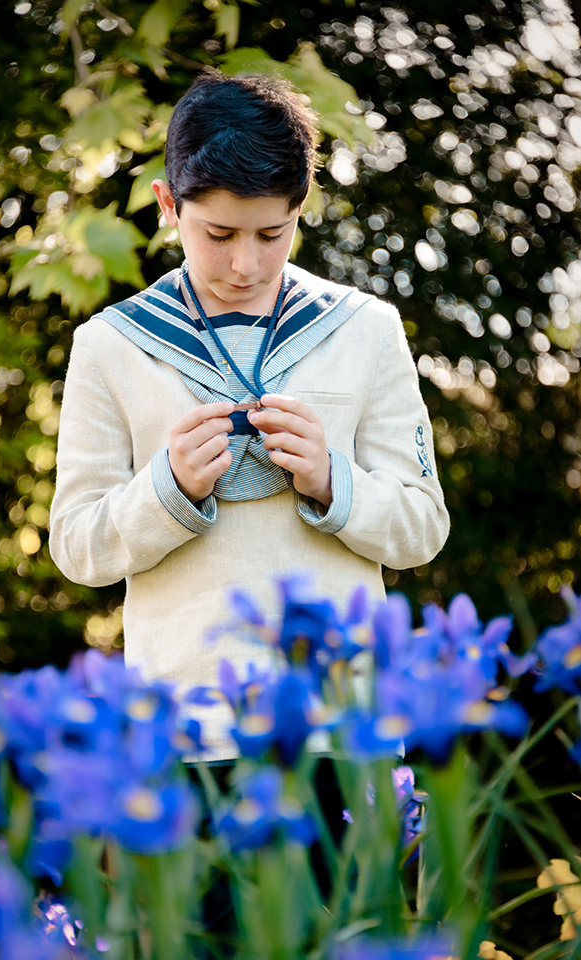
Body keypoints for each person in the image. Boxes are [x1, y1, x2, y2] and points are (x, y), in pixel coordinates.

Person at [49, 71, 450, 760]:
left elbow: (422, 529)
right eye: (219, 233)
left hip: (340, 727)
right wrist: (165, 490)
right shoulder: (109, 344)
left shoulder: (363, 330)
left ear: (301, 206)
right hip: (183, 730)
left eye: (272, 232)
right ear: (167, 204)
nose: (245, 263)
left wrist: (332, 480)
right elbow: (76, 546)